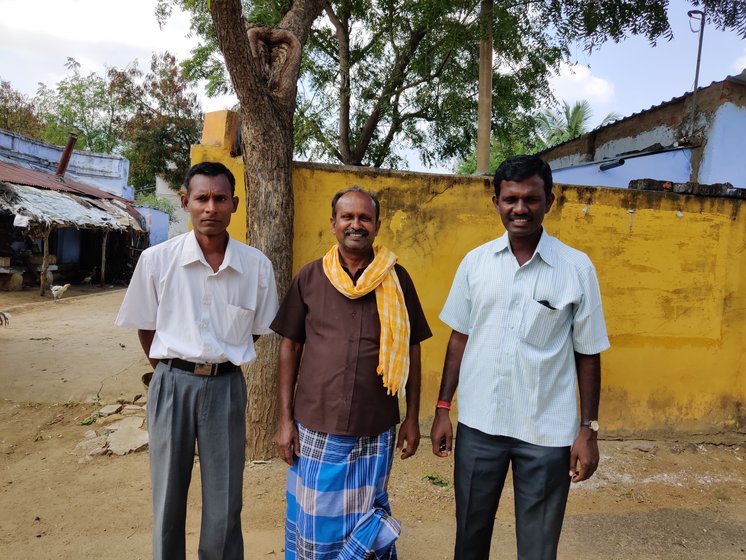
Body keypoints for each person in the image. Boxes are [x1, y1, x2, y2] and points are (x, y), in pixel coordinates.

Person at [431, 155, 610, 560]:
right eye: (510, 199)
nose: (520, 208)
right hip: (480, 426)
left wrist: (588, 430)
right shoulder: (475, 263)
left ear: (550, 201)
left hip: (546, 432)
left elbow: (588, 353)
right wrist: (443, 408)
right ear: (495, 200)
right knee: (469, 539)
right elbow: (459, 337)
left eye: (531, 198)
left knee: (538, 548)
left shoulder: (576, 268)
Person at [115, 161, 279, 560]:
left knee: (225, 497)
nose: (211, 208)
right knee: (168, 493)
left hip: (226, 386)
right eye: (202, 198)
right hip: (171, 383)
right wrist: (174, 372)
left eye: (220, 198)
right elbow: (145, 328)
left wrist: (218, 361)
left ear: (234, 204)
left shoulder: (255, 266)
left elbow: (254, 329)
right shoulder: (157, 261)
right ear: (186, 202)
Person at [271, 186, 432, 560]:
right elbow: (289, 346)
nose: (355, 225)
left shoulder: (398, 279)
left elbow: (412, 348)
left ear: (376, 226)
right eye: (347, 217)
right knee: (313, 518)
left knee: (365, 514)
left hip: (375, 425)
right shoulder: (310, 277)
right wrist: (284, 420)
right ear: (333, 224)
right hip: (315, 420)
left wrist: (411, 418)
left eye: (364, 218)